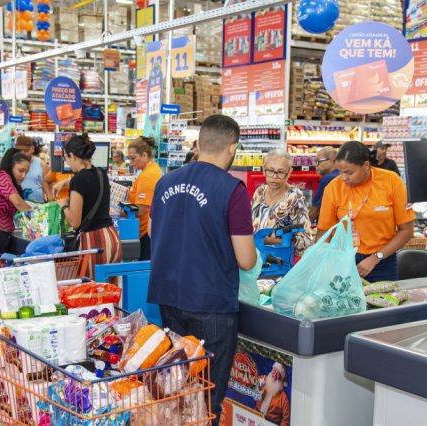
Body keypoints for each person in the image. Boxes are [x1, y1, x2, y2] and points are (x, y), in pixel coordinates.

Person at [148, 115, 257, 423]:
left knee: (177, 385)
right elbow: (246, 259)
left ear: (199, 143)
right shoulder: (232, 190)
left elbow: (155, 234)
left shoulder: (164, 182)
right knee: (208, 393)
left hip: (169, 296)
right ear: (232, 148)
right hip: (211, 303)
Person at [317, 141, 414, 282]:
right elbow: (324, 233)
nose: (343, 178)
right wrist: (320, 262)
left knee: (382, 303)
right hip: (343, 261)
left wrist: (376, 258)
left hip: (382, 262)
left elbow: (406, 231)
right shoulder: (333, 188)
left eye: (349, 172)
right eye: (340, 172)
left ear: (366, 166)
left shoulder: (391, 181)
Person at [60, 134, 122, 273]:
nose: (67, 162)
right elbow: (89, 183)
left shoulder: (78, 180)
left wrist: (63, 205)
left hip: (94, 243)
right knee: (109, 289)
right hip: (112, 239)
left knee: (91, 290)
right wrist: (64, 183)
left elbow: (75, 222)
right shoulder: (101, 173)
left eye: (66, 158)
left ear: (72, 156)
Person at [251, 149, 310, 257]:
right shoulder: (259, 192)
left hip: (279, 261)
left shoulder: (295, 197)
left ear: (288, 174)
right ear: (264, 170)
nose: (274, 176)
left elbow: (304, 239)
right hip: (255, 258)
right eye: (270, 171)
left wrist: (271, 240)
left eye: (281, 172)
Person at [126, 137, 162, 260]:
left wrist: (119, 211)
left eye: (133, 158)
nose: (131, 162)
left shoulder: (146, 177)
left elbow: (140, 210)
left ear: (144, 155)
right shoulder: (153, 169)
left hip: (144, 233)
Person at [15, 135, 49, 204]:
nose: (22, 153)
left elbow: (49, 184)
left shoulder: (41, 164)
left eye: (26, 150)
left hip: (38, 207)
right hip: (18, 206)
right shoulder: (13, 164)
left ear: (32, 149)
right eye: (20, 150)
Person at [309, 147, 339, 223]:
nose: (316, 165)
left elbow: (315, 210)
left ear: (331, 161)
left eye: (318, 161)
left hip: (328, 226)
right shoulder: (343, 175)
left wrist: (302, 229)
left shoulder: (327, 179)